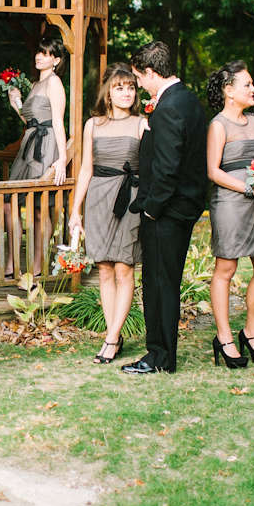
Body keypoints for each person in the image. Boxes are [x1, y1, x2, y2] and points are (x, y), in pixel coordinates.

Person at [122, 42, 207, 375]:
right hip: (182, 207)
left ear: (150, 72)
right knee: (164, 282)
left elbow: (168, 167)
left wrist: (152, 209)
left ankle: (159, 356)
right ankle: (161, 354)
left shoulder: (169, 107)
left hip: (167, 211)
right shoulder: (188, 99)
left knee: (159, 284)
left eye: (139, 77)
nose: (139, 84)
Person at [204, 62, 254, 370]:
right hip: (231, 203)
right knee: (226, 267)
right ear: (229, 91)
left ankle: (251, 332)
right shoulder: (218, 126)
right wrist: (250, 189)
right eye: (247, 85)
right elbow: (213, 172)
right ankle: (224, 337)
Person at [67, 63, 145, 365]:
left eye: (131, 87)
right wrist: (75, 210)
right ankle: (115, 335)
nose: (126, 93)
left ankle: (111, 339)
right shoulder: (93, 125)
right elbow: (86, 169)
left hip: (129, 199)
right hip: (98, 199)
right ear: (108, 93)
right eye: (119, 87)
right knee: (104, 270)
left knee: (124, 268)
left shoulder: (142, 124)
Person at [4, 37, 69, 283]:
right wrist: (16, 105)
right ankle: (12, 263)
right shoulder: (35, 85)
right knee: (9, 202)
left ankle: (37, 266)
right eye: (39, 52)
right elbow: (30, 121)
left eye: (46, 53)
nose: (39, 56)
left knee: (40, 209)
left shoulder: (54, 82)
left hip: (46, 145)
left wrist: (62, 158)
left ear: (56, 60)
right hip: (28, 146)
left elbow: (58, 121)